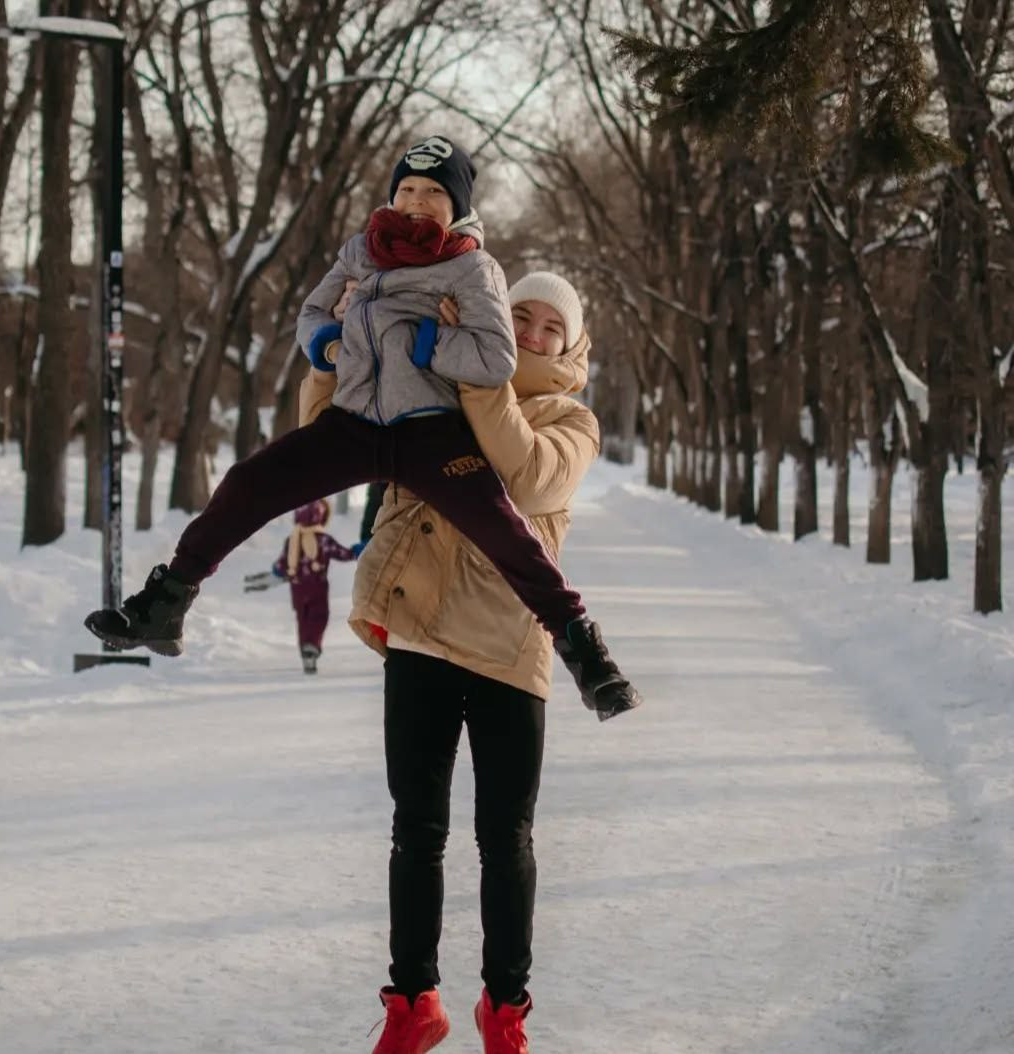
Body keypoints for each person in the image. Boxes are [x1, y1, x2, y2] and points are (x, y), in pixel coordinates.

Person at [83, 134, 640, 719]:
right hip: (355, 422)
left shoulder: (474, 267)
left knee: (506, 533)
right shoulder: (361, 252)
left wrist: (428, 341)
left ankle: (586, 655)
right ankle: (168, 601)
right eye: (407, 189)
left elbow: (495, 359)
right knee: (250, 483)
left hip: (431, 429)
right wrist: (328, 341)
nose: (418, 201)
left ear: (458, 205)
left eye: (433, 192)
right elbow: (312, 314)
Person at [301, 272, 604, 1054]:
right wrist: (337, 349)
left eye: (548, 328)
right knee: (417, 829)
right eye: (520, 319)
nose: (533, 334)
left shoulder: (572, 420)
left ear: (568, 345)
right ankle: (413, 1002)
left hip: (509, 647)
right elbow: (328, 434)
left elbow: (525, 472)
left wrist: (477, 366)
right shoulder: (431, 376)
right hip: (419, 629)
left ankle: (504, 1012)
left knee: (506, 837)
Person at [272, 500, 359, 674]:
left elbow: (282, 565)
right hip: (317, 588)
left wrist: (278, 569)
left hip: (297, 589)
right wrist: (357, 551)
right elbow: (343, 554)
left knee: (303, 620)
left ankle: (306, 651)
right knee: (319, 617)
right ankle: (312, 646)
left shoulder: (292, 540)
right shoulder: (324, 540)